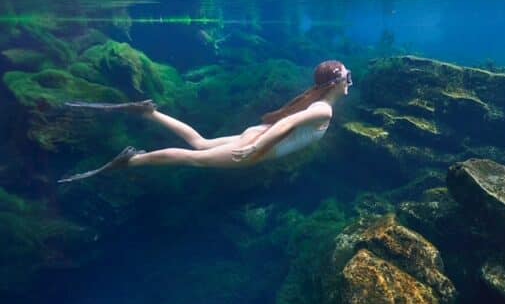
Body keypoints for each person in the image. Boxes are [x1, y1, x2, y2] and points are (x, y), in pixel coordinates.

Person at [58, 60, 353, 183]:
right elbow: (285, 126)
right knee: (194, 158)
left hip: (258, 137)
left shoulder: (317, 104)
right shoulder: (323, 110)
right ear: (336, 84)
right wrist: (255, 149)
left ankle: (150, 113)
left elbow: (286, 125)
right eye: (347, 77)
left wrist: (256, 142)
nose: (350, 82)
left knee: (200, 143)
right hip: (261, 145)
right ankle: (132, 161)